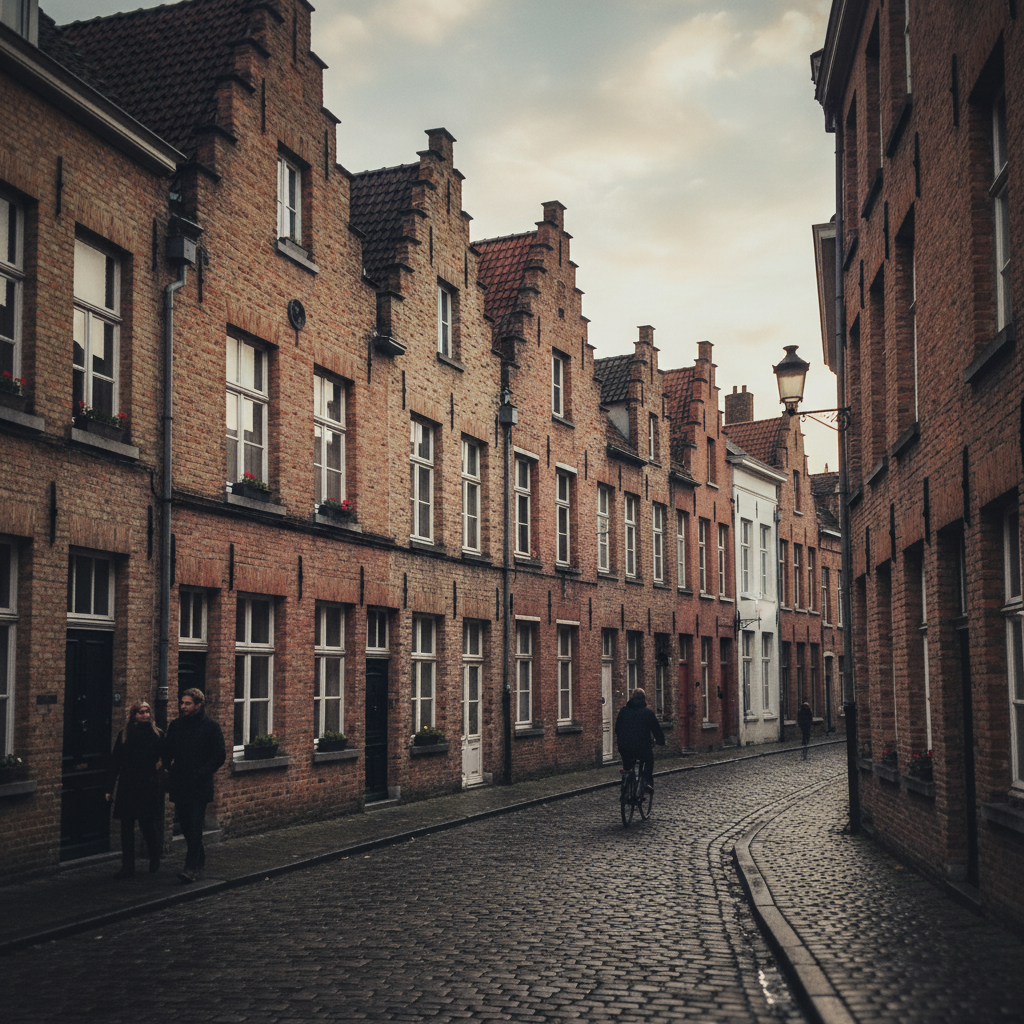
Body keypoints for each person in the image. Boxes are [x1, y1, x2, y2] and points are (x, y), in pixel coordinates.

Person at [162, 688, 226, 884]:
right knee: (187, 826)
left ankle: (190, 868)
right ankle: (200, 859)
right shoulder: (176, 726)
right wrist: (167, 764)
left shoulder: (211, 727)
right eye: (182, 703)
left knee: (196, 824)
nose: (183, 707)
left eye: (187, 703)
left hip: (199, 785)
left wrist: (202, 773)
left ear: (198, 705)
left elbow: (219, 756)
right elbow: (167, 750)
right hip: (180, 784)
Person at [106, 700, 164, 879]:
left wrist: (161, 764)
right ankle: (127, 865)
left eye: (147, 712)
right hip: (128, 784)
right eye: (141, 712)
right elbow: (115, 762)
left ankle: (154, 856)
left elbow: (167, 754)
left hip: (147, 784)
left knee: (147, 824)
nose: (145, 715)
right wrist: (109, 788)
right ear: (134, 715)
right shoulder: (124, 735)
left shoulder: (157, 734)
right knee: (126, 827)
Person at [615, 687, 665, 793]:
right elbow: (656, 730)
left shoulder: (623, 711)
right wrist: (661, 741)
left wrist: (622, 740)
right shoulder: (647, 713)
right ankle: (646, 782)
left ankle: (626, 781)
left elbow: (617, 728)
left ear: (632, 697)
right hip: (642, 747)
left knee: (627, 764)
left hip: (625, 747)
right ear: (644, 699)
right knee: (649, 760)